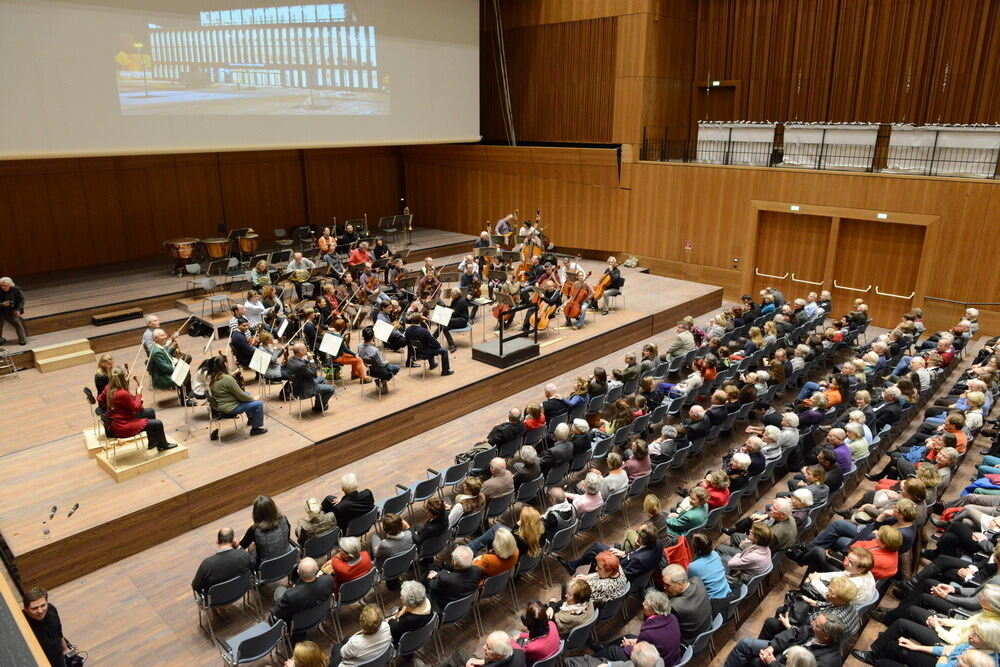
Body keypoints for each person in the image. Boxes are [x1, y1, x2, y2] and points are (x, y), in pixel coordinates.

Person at [589, 589, 682, 665]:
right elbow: (652, 643)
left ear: (652, 611)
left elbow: (642, 656)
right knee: (629, 636)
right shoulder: (672, 618)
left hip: (655, 663)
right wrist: (636, 642)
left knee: (614, 651)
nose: (643, 604)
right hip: (666, 656)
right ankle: (602, 648)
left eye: (646, 604)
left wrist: (628, 647)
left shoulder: (649, 633)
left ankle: (589, 659)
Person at [723, 613, 846, 667]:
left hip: (784, 663)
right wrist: (772, 647)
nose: (812, 623)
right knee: (745, 644)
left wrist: (772, 662)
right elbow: (795, 632)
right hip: (784, 652)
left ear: (826, 636)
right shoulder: (817, 630)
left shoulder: (827, 662)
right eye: (815, 621)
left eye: (816, 625)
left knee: (754, 662)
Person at [97, 367, 175, 451]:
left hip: (117, 420)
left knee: (150, 412)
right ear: (122, 378)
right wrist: (139, 394)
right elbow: (136, 408)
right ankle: (162, 445)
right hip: (122, 426)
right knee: (158, 423)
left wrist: (112, 405)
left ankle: (153, 442)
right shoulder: (122, 393)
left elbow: (100, 399)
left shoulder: (108, 388)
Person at [205, 355, 267, 438]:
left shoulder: (213, 377)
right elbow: (240, 395)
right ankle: (255, 429)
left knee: (247, 394)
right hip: (230, 407)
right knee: (258, 404)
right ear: (225, 364)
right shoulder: (227, 379)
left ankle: (251, 419)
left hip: (219, 405)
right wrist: (254, 399)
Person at [270, 557, 334, 631]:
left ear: (298, 572)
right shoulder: (328, 580)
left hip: (296, 625)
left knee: (279, 589)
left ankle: (272, 622)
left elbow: (278, 613)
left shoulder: (290, 595)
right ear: (317, 569)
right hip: (319, 615)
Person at [191, 527, 253, 596]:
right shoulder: (244, 555)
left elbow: (196, 586)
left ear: (217, 541)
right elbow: (253, 565)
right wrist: (238, 547)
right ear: (233, 541)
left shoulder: (207, 564)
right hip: (240, 591)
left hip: (218, 598)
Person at [661, 564, 712, 642]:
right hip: (708, 626)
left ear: (680, 584)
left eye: (668, 585)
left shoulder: (675, 605)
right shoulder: (697, 580)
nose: (664, 587)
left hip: (690, 640)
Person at [146, 328, 196, 405]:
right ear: (156, 339)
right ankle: (184, 399)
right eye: (162, 335)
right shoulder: (156, 352)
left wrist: (172, 348)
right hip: (162, 377)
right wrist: (178, 369)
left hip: (165, 371)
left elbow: (166, 355)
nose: (166, 336)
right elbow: (165, 368)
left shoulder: (158, 346)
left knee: (185, 369)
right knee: (183, 373)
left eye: (165, 334)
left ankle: (187, 395)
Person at [687, 533, 733, 616]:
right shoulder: (715, 554)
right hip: (727, 593)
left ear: (694, 549)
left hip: (714, 603)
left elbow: (690, 585)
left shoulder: (693, 567)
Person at [22, 588, 70, 667]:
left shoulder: (51, 609)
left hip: (59, 657)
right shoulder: (22, 623)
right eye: (34, 608)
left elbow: (58, 632)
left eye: (43, 605)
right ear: (26, 609)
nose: (40, 611)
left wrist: (65, 649)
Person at [239, 495, 291, 566]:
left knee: (251, 546)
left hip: (266, 567)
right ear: (273, 508)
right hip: (287, 560)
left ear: (256, 513)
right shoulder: (284, 519)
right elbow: (287, 538)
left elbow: (241, 548)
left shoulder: (254, 530)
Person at [426, 545, 481, 611]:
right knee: (441, 566)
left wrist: (436, 575)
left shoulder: (446, 579)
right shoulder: (477, 571)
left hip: (442, 606)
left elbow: (431, 585)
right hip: (464, 606)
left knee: (429, 572)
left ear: (454, 562)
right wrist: (443, 573)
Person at [287, 342, 335, 412]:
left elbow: (300, 363)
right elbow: (314, 375)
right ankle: (319, 407)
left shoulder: (291, 359)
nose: (306, 349)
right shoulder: (301, 366)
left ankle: (318, 404)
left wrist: (307, 359)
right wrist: (311, 360)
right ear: (301, 352)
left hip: (297, 385)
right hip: (305, 389)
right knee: (331, 388)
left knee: (322, 379)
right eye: (305, 348)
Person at [388, 580, 434, 645]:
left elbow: (393, 628)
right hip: (424, 632)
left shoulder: (408, 620)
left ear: (410, 603)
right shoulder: (428, 601)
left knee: (393, 610)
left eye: (402, 597)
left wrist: (390, 620)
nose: (400, 597)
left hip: (408, 642)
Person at [357, 326, 400, 392]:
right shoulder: (375, 350)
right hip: (379, 369)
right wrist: (387, 361)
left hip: (370, 369)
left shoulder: (359, 346)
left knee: (389, 367)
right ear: (372, 337)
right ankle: (382, 380)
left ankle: (381, 381)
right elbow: (382, 364)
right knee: (396, 368)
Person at [0, 276, 27, 345]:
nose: (2, 287)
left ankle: (22, 339)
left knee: (17, 323)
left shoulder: (16, 289)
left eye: (4, 285)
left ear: (10, 285)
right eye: (1, 285)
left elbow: (21, 300)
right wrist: (2, 304)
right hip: (1, 310)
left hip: (12, 309)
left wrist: (18, 310)